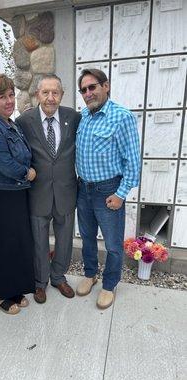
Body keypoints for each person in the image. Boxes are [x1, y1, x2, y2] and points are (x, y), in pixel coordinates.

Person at [76, 68, 140, 309]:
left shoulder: (122, 117)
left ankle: (109, 283)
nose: (88, 93)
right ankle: (90, 274)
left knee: (113, 244)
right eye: (84, 90)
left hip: (108, 190)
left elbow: (132, 162)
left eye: (92, 87)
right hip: (84, 189)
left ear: (106, 86)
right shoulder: (84, 116)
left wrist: (121, 194)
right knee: (87, 237)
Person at [16, 74, 81, 304]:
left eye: (55, 93)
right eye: (46, 93)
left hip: (66, 191)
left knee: (64, 239)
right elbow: (17, 152)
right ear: (37, 95)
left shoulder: (74, 117)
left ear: (62, 95)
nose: (50, 98)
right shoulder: (24, 121)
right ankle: (40, 282)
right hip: (38, 192)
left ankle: (58, 277)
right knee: (39, 240)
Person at [0, 73, 36, 315]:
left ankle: (14, 289)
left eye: (11, 95)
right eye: (2, 97)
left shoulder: (10, 123)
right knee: (1, 245)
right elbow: (5, 164)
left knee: (16, 243)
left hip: (16, 193)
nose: (9, 101)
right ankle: (1, 295)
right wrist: (28, 173)